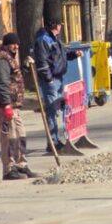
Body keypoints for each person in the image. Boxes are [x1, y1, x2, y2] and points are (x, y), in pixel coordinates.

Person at [0, 32, 36, 180]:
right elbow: (2, 83)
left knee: (20, 133)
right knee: (9, 135)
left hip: (14, 104)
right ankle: (9, 169)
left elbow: (14, 78)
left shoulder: (10, 58)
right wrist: (6, 105)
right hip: (5, 104)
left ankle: (21, 164)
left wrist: (25, 66)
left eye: (17, 44)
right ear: (6, 45)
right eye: (12, 44)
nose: (16, 46)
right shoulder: (2, 59)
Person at [33, 19, 77, 152]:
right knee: (52, 111)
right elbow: (42, 61)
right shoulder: (43, 40)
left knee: (56, 110)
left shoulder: (55, 39)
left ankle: (55, 140)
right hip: (51, 80)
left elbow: (61, 55)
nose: (61, 27)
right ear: (55, 26)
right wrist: (48, 78)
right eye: (59, 25)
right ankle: (53, 142)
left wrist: (74, 54)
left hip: (58, 78)